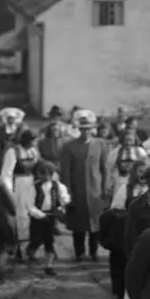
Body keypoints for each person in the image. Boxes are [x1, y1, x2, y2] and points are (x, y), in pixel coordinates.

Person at [100, 159, 147, 299]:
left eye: (145, 172)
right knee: (128, 273)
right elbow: (116, 210)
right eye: (139, 171)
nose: (142, 175)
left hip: (148, 236)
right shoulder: (126, 189)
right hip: (130, 235)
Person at [59, 109, 107, 262]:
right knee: (77, 222)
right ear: (79, 129)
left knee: (95, 223)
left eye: (89, 129)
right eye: (83, 129)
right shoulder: (69, 146)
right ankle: (79, 252)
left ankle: (94, 252)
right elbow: (65, 171)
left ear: (92, 129)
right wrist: (67, 191)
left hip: (95, 190)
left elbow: (104, 169)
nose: (86, 132)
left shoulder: (101, 144)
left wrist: (105, 189)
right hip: (77, 189)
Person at [0, 127, 40, 262]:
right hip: (18, 185)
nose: (33, 144)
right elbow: (6, 173)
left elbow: (39, 167)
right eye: (31, 141)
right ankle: (20, 251)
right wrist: (9, 191)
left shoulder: (34, 151)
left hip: (32, 186)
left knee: (32, 217)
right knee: (21, 217)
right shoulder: (13, 152)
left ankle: (31, 250)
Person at [27, 159, 71, 277]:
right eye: (42, 173)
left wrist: (62, 207)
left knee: (49, 241)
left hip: (51, 217)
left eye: (47, 174)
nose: (44, 177)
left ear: (51, 174)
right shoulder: (34, 187)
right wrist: (40, 215)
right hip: (37, 217)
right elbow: (29, 205)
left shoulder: (58, 186)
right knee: (36, 239)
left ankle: (49, 266)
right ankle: (30, 252)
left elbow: (65, 198)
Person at [105, 127, 148, 203]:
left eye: (130, 140)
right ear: (122, 140)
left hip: (137, 183)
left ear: (135, 140)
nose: (128, 143)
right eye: (126, 140)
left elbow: (146, 167)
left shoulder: (140, 152)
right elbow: (108, 169)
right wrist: (108, 185)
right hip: (120, 182)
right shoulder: (115, 152)